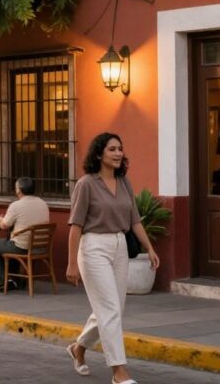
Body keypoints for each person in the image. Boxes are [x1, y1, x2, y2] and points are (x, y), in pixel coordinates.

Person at [66, 133, 158, 384]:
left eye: (120, 149)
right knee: (109, 310)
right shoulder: (86, 184)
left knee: (112, 309)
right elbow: (75, 225)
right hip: (93, 246)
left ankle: (79, 348)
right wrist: (72, 262)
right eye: (112, 149)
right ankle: (118, 371)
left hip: (119, 246)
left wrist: (149, 247)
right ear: (99, 154)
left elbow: (134, 220)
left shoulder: (124, 182)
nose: (118, 153)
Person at [0, 176, 49, 291]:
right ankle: (15, 279)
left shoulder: (16, 205)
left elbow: (4, 226)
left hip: (22, 247)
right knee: (9, 242)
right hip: (39, 247)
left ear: (19, 190)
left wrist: (1, 220)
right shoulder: (43, 203)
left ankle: (5, 280)